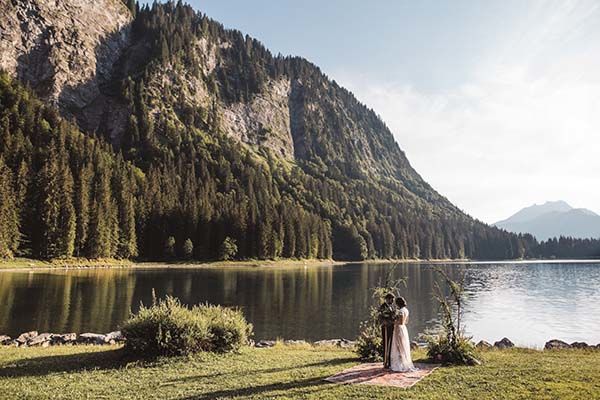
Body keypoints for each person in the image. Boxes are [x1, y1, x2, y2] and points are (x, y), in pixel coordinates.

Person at [390, 296, 418, 372]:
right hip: (403, 329)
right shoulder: (406, 310)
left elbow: (401, 322)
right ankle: (403, 363)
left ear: (398, 303)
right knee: (402, 345)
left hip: (399, 329)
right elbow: (406, 321)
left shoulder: (401, 311)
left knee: (399, 346)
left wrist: (393, 321)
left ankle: (401, 365)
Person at [378, 293, 396, 369]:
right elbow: (380, 317)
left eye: (393, 299)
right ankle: (386, 362)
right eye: (391, 299)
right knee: (386, 344)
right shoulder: (383, 306)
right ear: (387, 299)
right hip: (386, 327)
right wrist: (385, 322)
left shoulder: (392, 306)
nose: (393, 301)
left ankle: (390, 361)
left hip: (391, 327)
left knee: (390, 344)